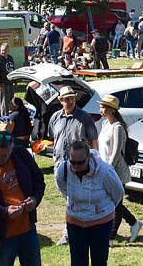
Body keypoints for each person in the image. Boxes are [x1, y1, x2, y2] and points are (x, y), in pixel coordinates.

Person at [0, 133, 45, 266]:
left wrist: (35, 199)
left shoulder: (21, 155)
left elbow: (39, 180)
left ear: (11, 151)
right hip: (3, 237)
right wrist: (4, 212)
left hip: (28, 231)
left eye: (3, 156)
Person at [55, 139, 124, 266]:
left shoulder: (105, 171)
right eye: (72, 162)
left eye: (80, 162)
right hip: (74, 221)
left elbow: (118, 193)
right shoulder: (64, 169)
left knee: (99, 261)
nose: (75, 166)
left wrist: (100, 210)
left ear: (88, 157)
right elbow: (62, 188)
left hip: (101, 223)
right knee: (77, 261)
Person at [51, 86, 99, 246]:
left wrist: (94, 163)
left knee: (72, 201)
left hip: (79, 168)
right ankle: (81, 227)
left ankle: (70, 233)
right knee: (71, 200)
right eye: (66, 99)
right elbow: (54, 139)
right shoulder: (55, 118)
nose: (70, 101)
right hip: (60, 167)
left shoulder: (84, 117)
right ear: (60, 101)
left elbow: (93, 141)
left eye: (72, 98)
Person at [97, 94, 143, 245]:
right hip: (105, 169)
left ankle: (110, 238)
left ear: (112, 109)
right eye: (101, 106)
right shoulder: (105, 124)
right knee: (113, 203)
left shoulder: (118, 127)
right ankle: (134, 223)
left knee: (115, 204)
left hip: (115, 171)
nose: (101, 109)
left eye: (103, 107)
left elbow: (116, 153)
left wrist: (108, 170)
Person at [0, 43, 15, 116]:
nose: (3, 52)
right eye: (2, 50)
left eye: (5, 50)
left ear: (8, 50)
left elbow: (12, 69)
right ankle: (4, 115)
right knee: (4, 100)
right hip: (2, 82)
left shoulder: (10, 58)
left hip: (10, 81)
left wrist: (15, 80)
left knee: (11, 98)